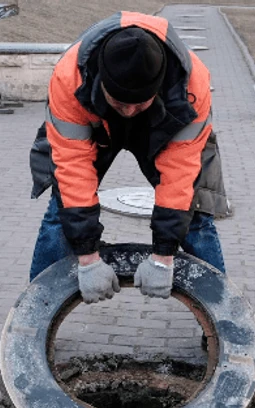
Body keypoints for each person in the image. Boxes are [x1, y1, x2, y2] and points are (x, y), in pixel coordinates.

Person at [28, 11, 230, 303]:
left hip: (164, 125)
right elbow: (73, 168)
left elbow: (180, 175)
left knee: (196, 210)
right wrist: (87, 258)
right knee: (62, 208)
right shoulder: (69, 78)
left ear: (157, 87)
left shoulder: (191, 87)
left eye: (139, 103)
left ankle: (223, 316)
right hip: (95, 125)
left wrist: (163, 256)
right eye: (120, 102)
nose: (129, 111)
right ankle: (36, 309)